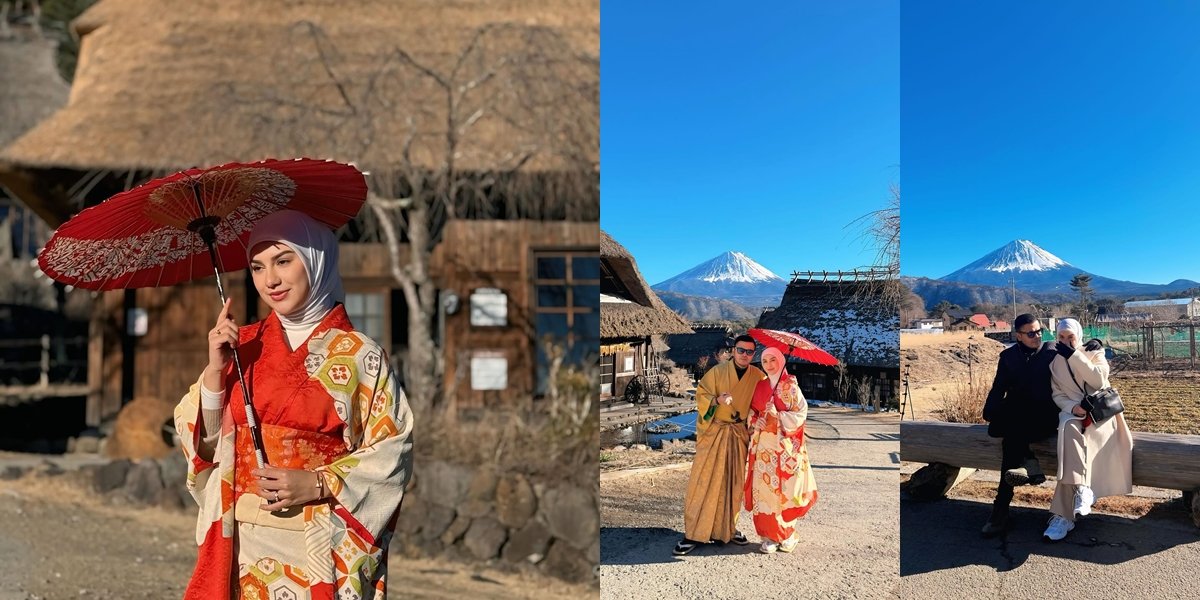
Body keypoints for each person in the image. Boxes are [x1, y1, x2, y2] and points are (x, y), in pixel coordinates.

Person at [173, 209, 415, 599]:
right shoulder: (240, 347)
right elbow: (206, 447)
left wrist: (318, 481)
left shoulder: (359, 356)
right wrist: (217, 374)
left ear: (316, 259)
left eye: (284, 261)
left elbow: (393, 450)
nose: (270, 280)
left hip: (318, 541)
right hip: (241, 545)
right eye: (257, 267)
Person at [1042, 319, 1133, 542]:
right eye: (1061, 337)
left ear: (1078, 335)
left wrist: (1075, 355)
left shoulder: (1094, 352)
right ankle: (1082, 489)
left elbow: (1099, 379)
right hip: (1073, 412)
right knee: (1069, 429)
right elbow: (1057, 394)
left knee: (1071, 451)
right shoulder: (1055, 363)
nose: (1065, 341)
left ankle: (1064, 516)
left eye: (1070, 337)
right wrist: (1073, 407)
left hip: (1100, 413)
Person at [674, 334, 764, 555]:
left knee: (733, 483)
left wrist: (756, 422)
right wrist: (716, 401)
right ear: (733, 351)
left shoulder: (758, 377)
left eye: (749, 352)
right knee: (703, 480)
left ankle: (727, 529)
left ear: (754, 354)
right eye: (741, 350)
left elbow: (761, 405)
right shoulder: (718, 372)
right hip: (715, 431)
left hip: (738, 433)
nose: (744, 355)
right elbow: (701, 394)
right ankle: (694, 532)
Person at [979, 314, 1059, 537]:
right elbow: (998, 388)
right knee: (997, 427)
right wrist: (989, 410)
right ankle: (1029, 463)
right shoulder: (1008, 356)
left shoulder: (1052, 351)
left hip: (1046, 415)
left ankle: (1000, 511)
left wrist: (1096, 344)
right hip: (1019, 414)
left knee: (1011, 439)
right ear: (1019, 335)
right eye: (1031, 333)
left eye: (1039, 331)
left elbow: (1080, 351)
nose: (1037, 336)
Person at [744, 347, 818, 554]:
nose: (768, 364)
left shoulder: (791, 386)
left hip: (785, 448)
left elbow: (801, 414)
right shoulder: (760, 386)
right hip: (764, 448)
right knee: (765, 493)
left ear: (780, 361)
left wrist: (778, 415)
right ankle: (767, 536)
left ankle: (788, 534)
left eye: (772, 360)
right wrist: (756, 422)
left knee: (786, 492)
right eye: (765, 360)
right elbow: (753, 412)